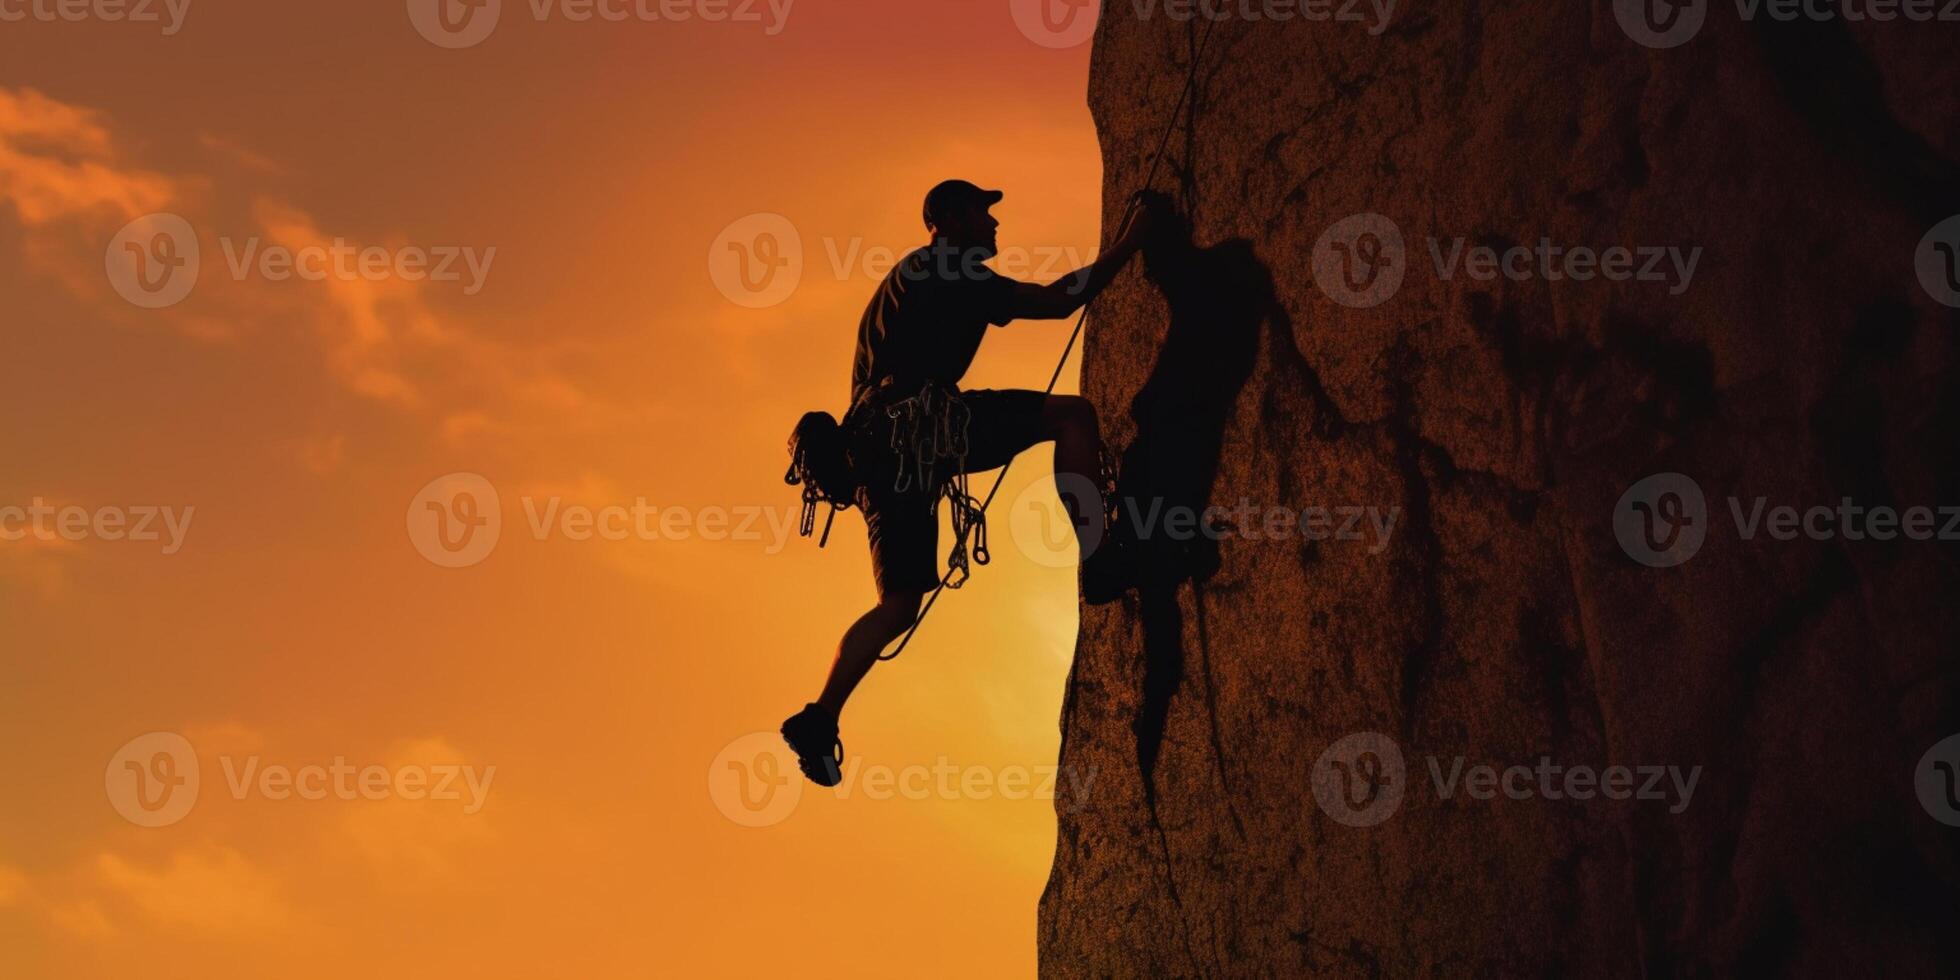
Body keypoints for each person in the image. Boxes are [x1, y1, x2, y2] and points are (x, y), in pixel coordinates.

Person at [780, 179, 1155, 786]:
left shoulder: (899, 282)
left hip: (878, 456)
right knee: (1072, 416)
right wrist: (1132, 241)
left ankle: (822, 714)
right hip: (925, 430)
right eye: (984, 211)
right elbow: (1061, 301)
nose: (995, 223)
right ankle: (1100, 556)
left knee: (898, 605)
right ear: (951, 218)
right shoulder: (950, 268)